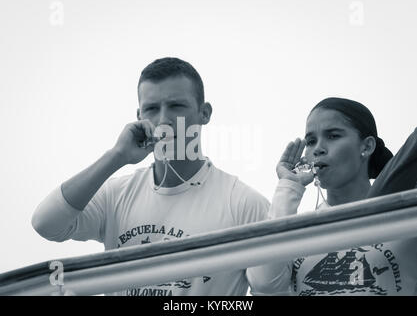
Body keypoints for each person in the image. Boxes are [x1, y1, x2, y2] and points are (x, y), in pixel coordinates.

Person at [32, 57, 290, 296]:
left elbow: (272, 290)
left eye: (176, 106)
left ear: (205, 113)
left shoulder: (243, 204)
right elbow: (46, 224)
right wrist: (117, 156)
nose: (164, 119)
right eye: (152, 109)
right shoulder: (115, 195)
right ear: (138, 117)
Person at [271, 97, 417, 296]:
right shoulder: (298, 230)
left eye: (333, 136)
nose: (318, 149)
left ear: (366, 147)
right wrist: (288, 186)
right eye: (311, 141)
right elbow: (264, 283)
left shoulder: (407, 219)